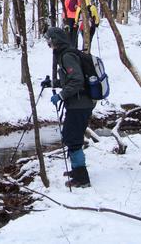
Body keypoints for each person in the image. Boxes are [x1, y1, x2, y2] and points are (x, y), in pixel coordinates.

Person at [41, 27, 95, 188]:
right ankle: (76, 170)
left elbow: (77, 81)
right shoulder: (66, 54)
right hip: (78, 103)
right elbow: (70, 80)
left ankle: (82, 177)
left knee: (72, 138)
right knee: (70, 136)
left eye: (49, 41)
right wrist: (52, 84)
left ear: (56, 40)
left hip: (80, 104)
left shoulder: (67, 56)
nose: (48, 44)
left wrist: (61, 95)